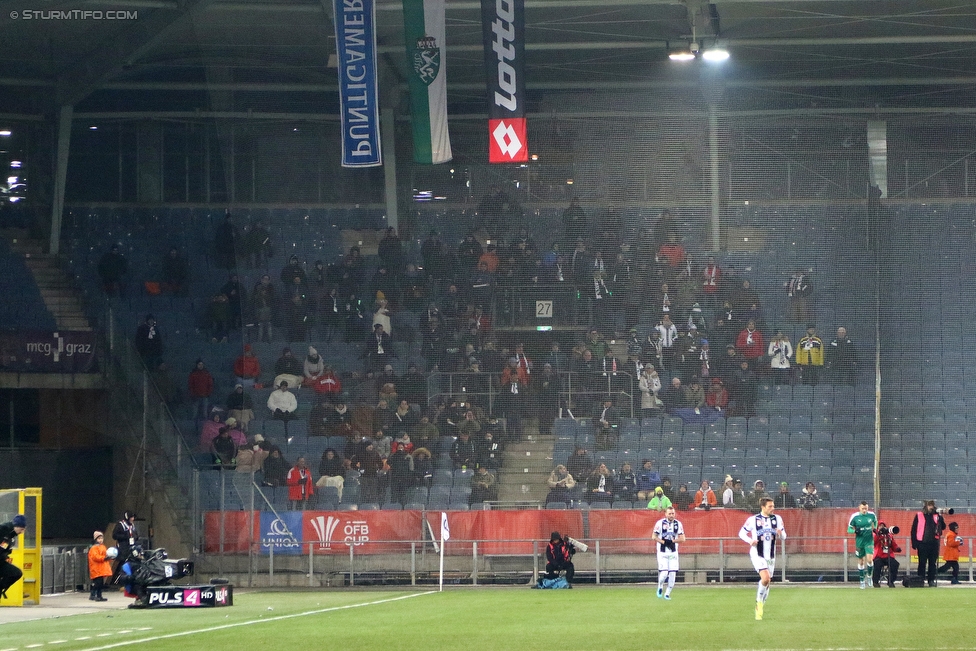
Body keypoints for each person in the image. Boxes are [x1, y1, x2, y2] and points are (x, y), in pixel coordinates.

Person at [739, 498, 786, 620]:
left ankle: (760, 607)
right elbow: (741, 533)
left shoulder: (777, 519)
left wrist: (780, 533)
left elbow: (784, 537)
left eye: (773, 506)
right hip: (757, 553)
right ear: (763, 507)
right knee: (765, 578)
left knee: (767, 582)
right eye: (770, 506)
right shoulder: (753, 520)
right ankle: (759, 602)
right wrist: (750, 541)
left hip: (770, 555)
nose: (772, 508)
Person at [652, 506, 686, 599]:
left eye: (673, 513)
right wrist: (664, 542)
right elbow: (654, 536)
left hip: (673, 552)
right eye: (669, 513)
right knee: (664, 573)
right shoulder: (660, 523)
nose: (671, 515)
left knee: (672, 574)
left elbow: (683, 539)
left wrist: (672, 542)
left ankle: (667, 594)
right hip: (662, 552)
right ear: (665, 514)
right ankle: (660, 586)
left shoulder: (678, 524)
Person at [911, 500, 946, 587]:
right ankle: (921, 580)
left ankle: (931, 580)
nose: (931, 507)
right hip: (922, 543)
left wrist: (940, 518)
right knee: (922, 563)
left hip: (934, 543)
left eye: (932, 505)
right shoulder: (919, 515)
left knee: (932, 563)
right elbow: (914, 529)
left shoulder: (937, 516)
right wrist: (914, 543)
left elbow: (943, 527)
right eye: (929, 505)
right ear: (926, 506)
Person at [848, 501, 878, 589]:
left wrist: (875, 529)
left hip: (869, 540)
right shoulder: (855, 517)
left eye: (866, 508)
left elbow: (875, 522)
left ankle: (869, 576)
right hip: (860, 541)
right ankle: (861, 580)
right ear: (859, 508)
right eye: (863, 508)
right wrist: (854, 531)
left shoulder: (872, 515)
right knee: (861, 561)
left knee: (869, 559)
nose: (864, 510)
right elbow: (849, 529)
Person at [0, 514, 26, 600]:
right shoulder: (2, 529)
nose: (22, 532)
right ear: (16, 526)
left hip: (1, 561)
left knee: (16, 573)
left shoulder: (11, 536)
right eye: (21, 529)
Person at [111, 511, 137, 583]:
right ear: (127, 518)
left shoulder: (132, 525)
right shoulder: (120, 525)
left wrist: (136, 538)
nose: (133, 519)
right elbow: (114, 536)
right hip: (123, 548)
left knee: (132, 562)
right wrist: (125, 537)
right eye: (131, 517)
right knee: (123, 563)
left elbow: (135, 534)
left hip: (132, 547)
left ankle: (131, 579)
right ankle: (122, 580)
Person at [873, 522, 902, 588]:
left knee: (895, 564)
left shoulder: (889, 536)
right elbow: (873, 542)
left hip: (888, 556)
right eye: (880, 526)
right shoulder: (876, 535)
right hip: (879, 556)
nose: (882, 527)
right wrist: (878, 534)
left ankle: (891, 581)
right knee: (877, 564)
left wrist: (897, 549)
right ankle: (875, 582)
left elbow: (893, 545)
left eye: (883, 526)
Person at [87, 531, 112, 601]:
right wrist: (104, 558)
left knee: (100, 584)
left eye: (101, 538)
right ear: (95, 539)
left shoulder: (103, 547)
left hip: (100, 569)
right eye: (99, 538)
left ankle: (99, 596)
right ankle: (93, 595)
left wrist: (108, 558)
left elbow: (104, 555)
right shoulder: (94, 548)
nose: (101, 540)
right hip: (96, 569)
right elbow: (96, 557)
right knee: (97, 583)